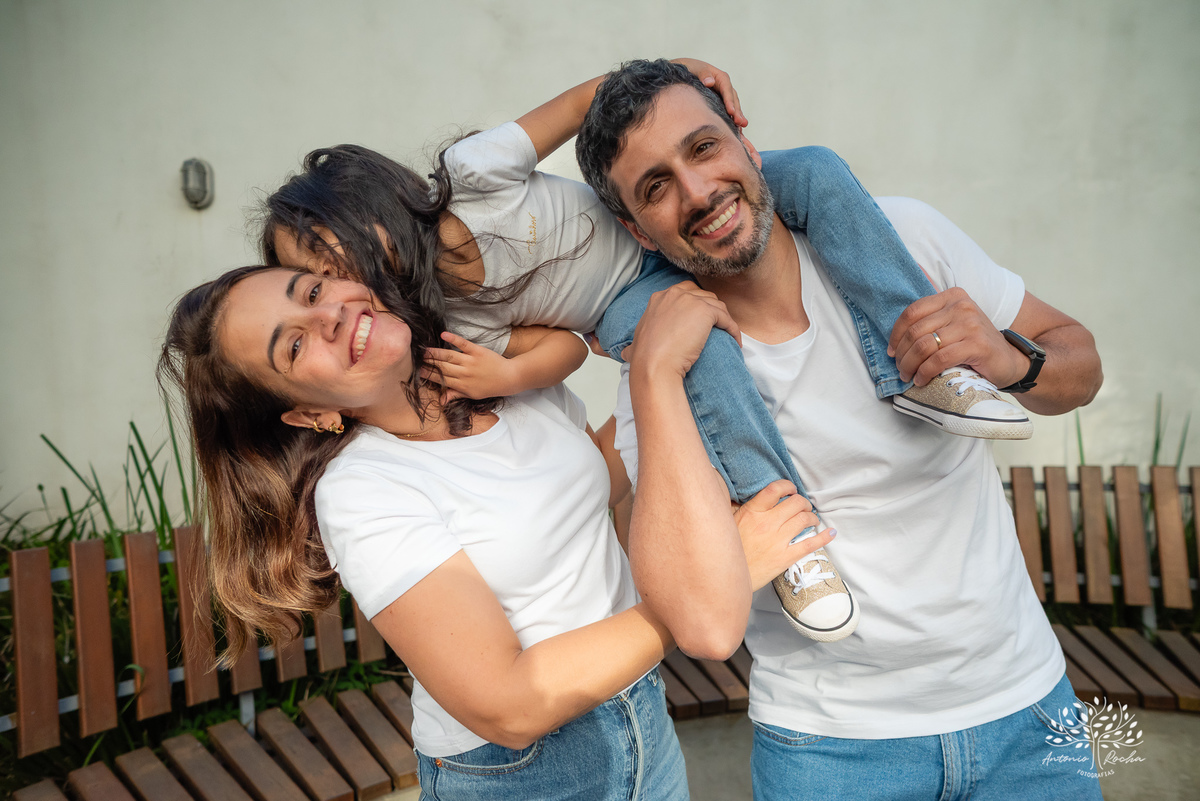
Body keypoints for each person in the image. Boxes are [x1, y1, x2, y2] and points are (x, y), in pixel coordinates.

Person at [260, 60, 1029, 644]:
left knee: (822, 171)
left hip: (661, 220)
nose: (340, 290)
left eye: (330, 264)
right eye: (315, 283)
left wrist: (681, 68)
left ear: (373, 206)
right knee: (710, 350)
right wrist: (508, 373)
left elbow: (590, 102)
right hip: (630, 292)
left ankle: (929, 368)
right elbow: (566, 346)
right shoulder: (450, 315)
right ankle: (788, 528)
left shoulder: (474, 172)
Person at [575, 59, 1105, 799]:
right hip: (831, 751)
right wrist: (654, 377)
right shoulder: (668, 366)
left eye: (703, 148)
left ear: (746, 145)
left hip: (1027, 713)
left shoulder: (906, 239)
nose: (698, 193)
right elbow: (692, 610)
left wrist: (1007, 357)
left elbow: (1080, 364)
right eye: (656, 187)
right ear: (638, 229)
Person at [158, 264, 832, 800]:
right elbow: (508, 704)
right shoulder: (363, 491)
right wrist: (715, 576)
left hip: (640, 716)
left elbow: (591, 477)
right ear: (306, 413)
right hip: (525, 775)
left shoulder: (495, 374)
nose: (328, 314)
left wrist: (653, 363)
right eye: (296, 343)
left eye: (312, 289)